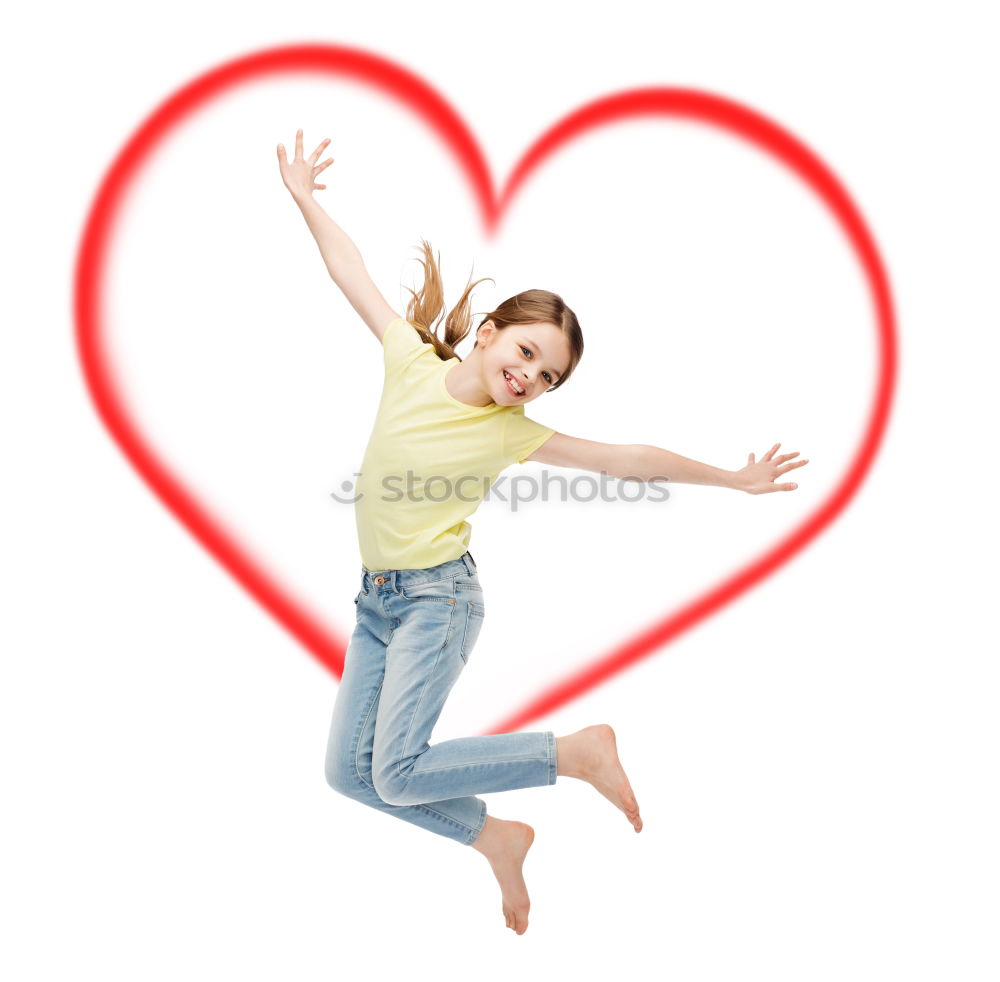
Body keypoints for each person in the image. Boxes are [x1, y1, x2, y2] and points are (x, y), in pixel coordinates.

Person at [276, 129, 809, 935]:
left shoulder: (510, 429)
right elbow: (351, 271)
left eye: (548, 375)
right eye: (527, 351)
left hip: (436, 604)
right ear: (488, 332)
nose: (529, 377)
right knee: (351, 776)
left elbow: (628, 460)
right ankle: (495, 836)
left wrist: (732, 477)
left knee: (399, 768)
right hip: (377, 602)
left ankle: (573, 753)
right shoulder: (410, 361)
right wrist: (308, 199)